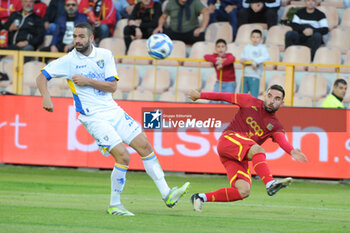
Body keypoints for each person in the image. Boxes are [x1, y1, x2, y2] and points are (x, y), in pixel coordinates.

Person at [36, 22, 190, 216]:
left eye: (81, 36)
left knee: (145, 146)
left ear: (91, 38)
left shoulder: (105, 55)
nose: (77, 40)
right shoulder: (68, 61)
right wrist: (46, 96)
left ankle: (167, 194)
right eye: (75, 36)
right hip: (92, 116)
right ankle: (115, 205)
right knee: (123, 156)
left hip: (112, 110)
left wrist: (87, 81)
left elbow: (112, 87)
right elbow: (42, 77)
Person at [188, 85, 307, 212]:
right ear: (265, 96)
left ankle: (200, 197)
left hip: (238, 155)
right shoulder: (249, 101)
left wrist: (292, 151)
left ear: (281, 103)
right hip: (228, 140)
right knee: (258, 150)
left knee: (243, 191)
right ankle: (269, 183)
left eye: (277, 99)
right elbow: (224, 96)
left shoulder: (276, 126)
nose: (272, 101)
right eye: (270, 96)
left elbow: (282, 140)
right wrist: (200, 95)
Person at [240, 29, 269, 98]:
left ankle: (253, 109)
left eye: (257, 37)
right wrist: (242, 60)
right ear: (250, 38)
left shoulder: (262, 48)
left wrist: (255, 62)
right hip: (245, 74)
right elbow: (242, 57)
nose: (255, 39)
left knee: (253, 96)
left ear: (261, 39)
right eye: (253, 37)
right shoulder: (247, 47)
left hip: (255, 75)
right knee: (241, 96)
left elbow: (266, 57)